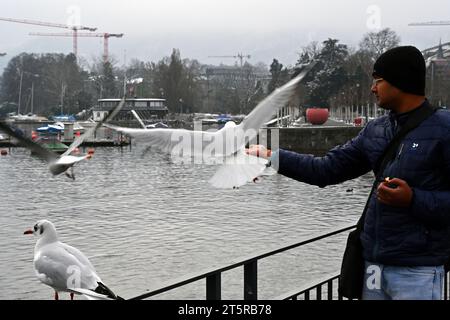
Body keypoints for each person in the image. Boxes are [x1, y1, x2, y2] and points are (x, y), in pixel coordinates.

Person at [247, 46, 450, 300]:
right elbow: (326, 169)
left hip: (417, 271)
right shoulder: (375, 130)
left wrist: (412, 199)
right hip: (372, 267)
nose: (372, 88)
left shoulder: (444, 129)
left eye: (378, 81)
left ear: (400, 81)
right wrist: (271, 157)